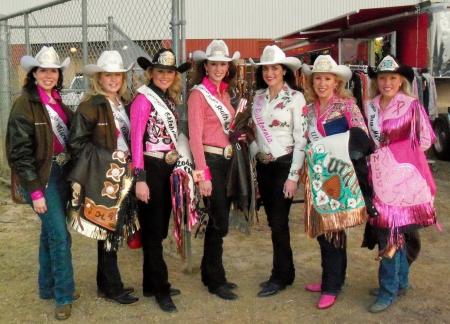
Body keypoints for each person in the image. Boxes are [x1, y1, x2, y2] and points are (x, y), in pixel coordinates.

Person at [6, 46, 76, 320]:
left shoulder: (58, 102)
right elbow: (19, 155)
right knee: (60, 235)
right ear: (33, 74)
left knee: (49, 233)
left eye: (53, 70)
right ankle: (64, 295)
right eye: (43, 70)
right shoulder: (24, 105)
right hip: (41, 178)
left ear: (58, 74)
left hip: (60, 174)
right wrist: (35, 191)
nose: (48, 75)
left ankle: (48, 287)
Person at [301, 55, 376, 309]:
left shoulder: (346, 105)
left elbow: (362, 138)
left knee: (334, 230)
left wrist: (334, 148)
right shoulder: (309, 110)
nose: (322, 83)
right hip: (318, 177)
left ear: (336, 82)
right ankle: (331, 278)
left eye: (327, 79)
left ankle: (332, 285)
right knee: (325, 230)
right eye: (318, 78)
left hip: (340, 175)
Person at [364, 55, 437, 313]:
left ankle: (388, 290)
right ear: (376, 80)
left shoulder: (411, 105)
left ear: (401, 80)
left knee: (392, 233)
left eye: (392, 78)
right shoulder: (370, 106)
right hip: (379, 177)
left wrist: (399, 153)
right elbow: (368, 140)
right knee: (391, 233)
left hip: (403, 178)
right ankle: (399, 282)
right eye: (382, 77)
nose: (387, 82)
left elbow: (426, 138)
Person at [67, 50, 139, 305]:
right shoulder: (91, 105)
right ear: (99, 77)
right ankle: (112, 286)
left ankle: (106, 284)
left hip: (124, 175)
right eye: (108, 75)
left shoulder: (124, 104)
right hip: (106, 174)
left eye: (117, 75)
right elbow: (76, 143)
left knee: (113, 230)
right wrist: (111, 157)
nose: (114, 79)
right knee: (108, 230)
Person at [131, 49, 191, 312]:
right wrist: (140, 178)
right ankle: (162, 289)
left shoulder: (168, 99)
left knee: (159, 230)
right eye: (160, 71)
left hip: (168, 169)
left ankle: (150, 283)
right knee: (154, 233)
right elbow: (136, 141)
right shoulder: (143, 100)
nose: (165, 75)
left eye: (169, 71)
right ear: (151, 73)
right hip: (151, 168)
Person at [248, 45, 307, 297]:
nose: (270, 72)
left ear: (284, 70)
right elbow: (253, 131)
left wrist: (294, 176)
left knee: (279, 223)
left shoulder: (296, 98)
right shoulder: (258, 97)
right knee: (274, 222)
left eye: (275, 68)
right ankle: (286, 271)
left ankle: (280, 276)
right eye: (266, 68)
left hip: (284, 166)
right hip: (263, 165)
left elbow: (301, 139)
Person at [188, 39, 242, 300]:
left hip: (228, 161)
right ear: (205, 66)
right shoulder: (199, 94)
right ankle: (214, 279)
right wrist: (202, 175)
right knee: (218, 222)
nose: (219, 67)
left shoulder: (225, 93)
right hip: (211, 163)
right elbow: (195, 137)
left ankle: (211, 273)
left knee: (220, 222)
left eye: (223, 63)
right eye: (214, 63)